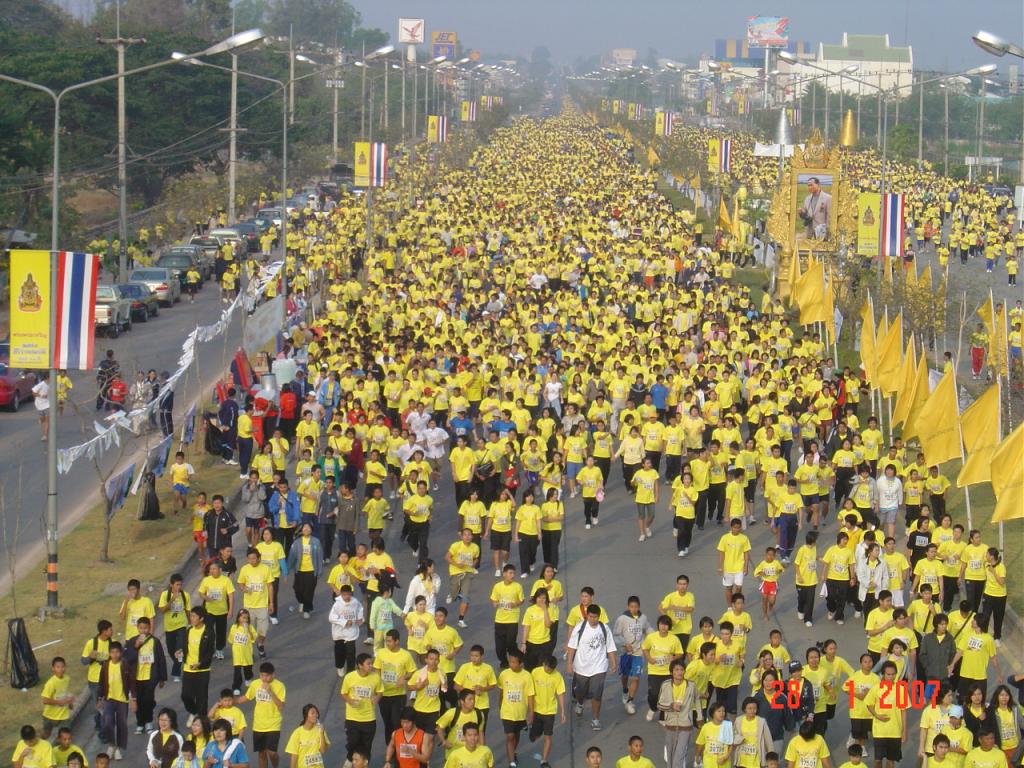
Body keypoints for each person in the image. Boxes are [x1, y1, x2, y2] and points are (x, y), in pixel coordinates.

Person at [566, 604, 617, 732]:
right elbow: (571, 646)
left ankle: (595, 719)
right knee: (580, 691)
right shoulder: (580, 628)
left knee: (597, 694)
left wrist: (614, 663)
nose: (593, 619)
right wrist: (569, 664)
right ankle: (580, 703)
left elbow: (610, 647)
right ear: (587, 616)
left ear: (599, 617)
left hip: (599, 667)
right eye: (590, 616)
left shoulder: (604, 628)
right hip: (581, 667)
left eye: (595, 617)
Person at [236, 662, 286, 768]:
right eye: (262, 675)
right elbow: (246, 697)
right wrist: (231, 702)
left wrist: (270, 692)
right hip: (258, 725)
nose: (264, 678)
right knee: (262, 753)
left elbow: (281, 706)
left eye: (267, 676)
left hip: (273, 724)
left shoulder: (279, 686)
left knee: (272, 753)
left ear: (273, 674)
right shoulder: (255, 684)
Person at [96, 641, 135, 760]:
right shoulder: (105, 666)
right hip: (109, 700)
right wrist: (99, 698)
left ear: (121, 653)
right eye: (112, 652)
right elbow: (101, 683)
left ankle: (118, 749)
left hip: (122, 700)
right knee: (108, 723)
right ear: (109, 653)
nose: (115, 655)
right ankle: (111, 745)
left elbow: (131, 682)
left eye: (117, 652)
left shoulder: (125, 665)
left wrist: (133, 699)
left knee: (122, 724)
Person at [341, 653, 383, 764]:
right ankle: (350, 759)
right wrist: (350, 701)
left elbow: (380, 691)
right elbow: (343, 693)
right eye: (368, 664)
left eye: (371, 663)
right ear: (360, 665)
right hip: (353, 718)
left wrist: (377, 698)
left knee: (366, 747)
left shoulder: (375, 677)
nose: (371, 666)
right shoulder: (349, 677)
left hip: (369, 718)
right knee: (353, 742)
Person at [657, 659, 698, 768]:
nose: (680, 672)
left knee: (679, 756)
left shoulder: (691, 685)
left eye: (682, 669)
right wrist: (671, 706)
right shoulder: (665, 685)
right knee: (670, 756)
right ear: (672, 672)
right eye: (676, 670)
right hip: (670, 725)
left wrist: (699, 717)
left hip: (686, 725)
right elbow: (659, 704)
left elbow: (697, 700)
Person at [330, 584, 365, 677]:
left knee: (351, 653)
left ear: (351, 593)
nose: (347, 597)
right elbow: (331, 617)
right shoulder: (337, 604)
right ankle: (340, 666)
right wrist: (344, 622)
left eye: (348, 594)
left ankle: (350, 673)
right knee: (340, 652)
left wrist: (360, 618)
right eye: (344, 595)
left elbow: (360, 609)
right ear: (341, 594)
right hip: (339, 633)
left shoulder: (355, 602)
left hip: (351, 633)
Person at [40, 657, 75, 739]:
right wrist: (60, 702)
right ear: (53, 668)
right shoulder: (51, 683)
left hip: (63, 714)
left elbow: (65, 692)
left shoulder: (67, 678)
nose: (61, 669)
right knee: (46, 734)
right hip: (50, 715)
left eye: (63, 667)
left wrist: (70, 703)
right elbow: (45, 700)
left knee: (65, 736)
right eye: (58, 667)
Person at [31, 373, 49, 441]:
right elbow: (33, 392)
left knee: (47, 420)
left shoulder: (53, 384)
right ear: (48, 377)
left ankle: (45, 435)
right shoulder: (41, 384)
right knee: (42, 419)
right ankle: (41, 419)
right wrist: (41, 395)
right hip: (39, 404)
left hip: (48, 405)